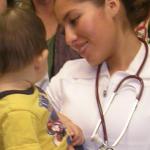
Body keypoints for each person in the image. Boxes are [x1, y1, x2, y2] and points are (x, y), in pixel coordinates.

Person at [46, 0, 150, 149]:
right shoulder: (68, 75)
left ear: (112, 5)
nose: (68, 39)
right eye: (63, 30)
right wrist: (50, 123)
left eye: (74, 20)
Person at [0, 7, 74, 150]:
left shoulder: (25, 90)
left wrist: (65, 124)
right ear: (40, 61)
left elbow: (42, 113)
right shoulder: (17, 113)